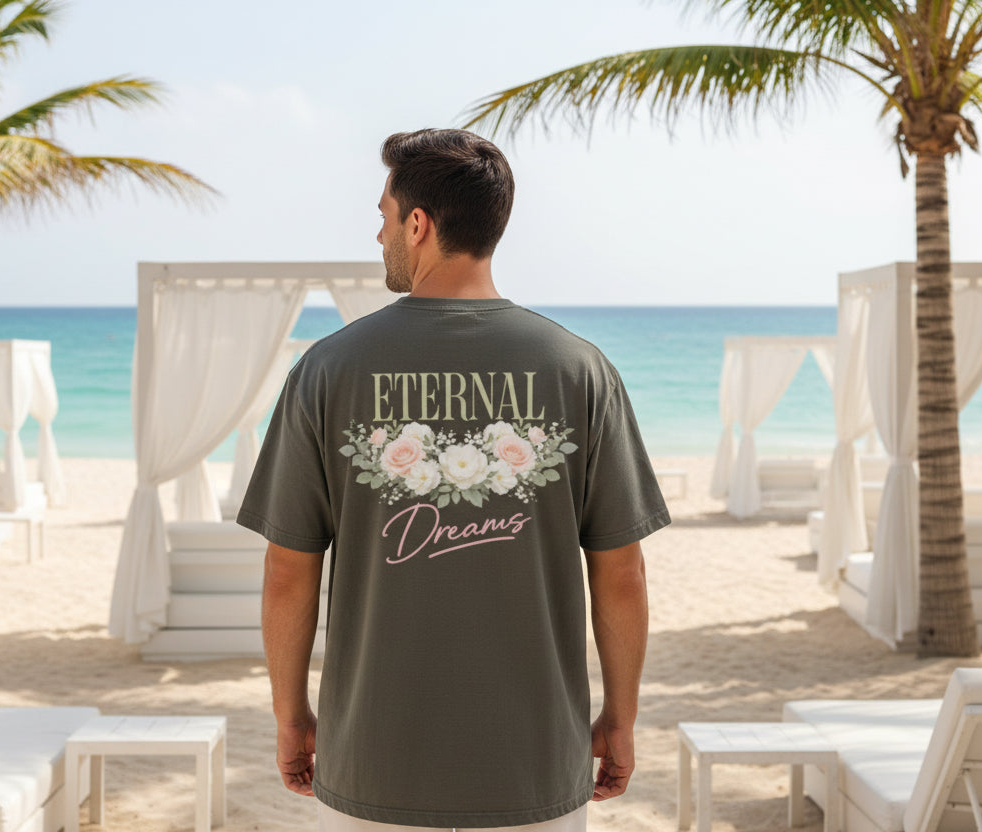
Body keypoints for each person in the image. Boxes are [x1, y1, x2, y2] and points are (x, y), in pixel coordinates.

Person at [237, 128, 669, 832]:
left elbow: (289, 571)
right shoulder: (580, 370)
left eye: (383, 217)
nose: (378, 236)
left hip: (373, 762)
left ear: (419, 223)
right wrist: (619, 719)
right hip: (535, 765)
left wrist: (292, 716)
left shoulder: (328, 370)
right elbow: (621, 572)